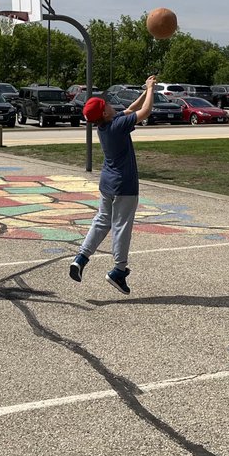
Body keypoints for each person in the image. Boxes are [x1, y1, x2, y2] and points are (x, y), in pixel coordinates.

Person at [69, 76, 156, 294]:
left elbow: (131, 109)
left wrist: (145, 91)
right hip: (124, 186)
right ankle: (118, 270)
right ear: (105, 113)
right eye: (106, 104)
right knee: (121, 226)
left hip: (107, 183)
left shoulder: (106, 125)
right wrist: (153, 89)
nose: (109, 104)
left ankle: (81, 258)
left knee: (101, 221)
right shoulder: (117, 126)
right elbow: (144, 113)